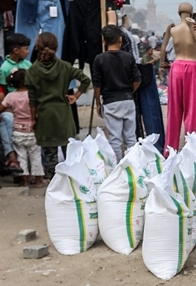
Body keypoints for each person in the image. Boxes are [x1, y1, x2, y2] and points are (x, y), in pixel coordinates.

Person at [25, 32, 91, 178]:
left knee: (51, 160)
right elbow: (85, 80)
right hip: (64, 116)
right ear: (56, 48)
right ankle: (72, 183)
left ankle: (55, 183)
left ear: (37, 48)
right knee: (70, 157)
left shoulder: (31, 72)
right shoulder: (65, 67)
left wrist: (33, 119)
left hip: (45, 118)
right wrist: (75, 96)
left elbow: (32, 99)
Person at [161, 2, 196, 149]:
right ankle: (191, 149)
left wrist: (162, 65)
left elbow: (163, 48)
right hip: (192, 68)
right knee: (192, 110)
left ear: (179, 13)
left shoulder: (172, 29)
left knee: (174, 111)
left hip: (176, 67)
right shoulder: (194, 29)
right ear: (191, 13)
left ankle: (170, 149)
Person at [92, 24, 142, 159]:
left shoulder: (99, 59)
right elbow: (137, 80)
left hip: (110, 102)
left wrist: (98, 103)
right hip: (128, 101)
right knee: (131, 138)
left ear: (104, 41)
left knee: (115, 139)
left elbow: (97, 85)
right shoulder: (128, 57)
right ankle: (133, 166)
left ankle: (118, 167)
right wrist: (129, 92)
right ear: (120, 39)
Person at [2, 70, 44, 187]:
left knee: (21, 157)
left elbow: (0, 108)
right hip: (33, 131)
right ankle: (38, 181)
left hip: (18, 132)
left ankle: (25, 181)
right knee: (36, 157)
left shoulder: (10, 96)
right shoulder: (33, 95)